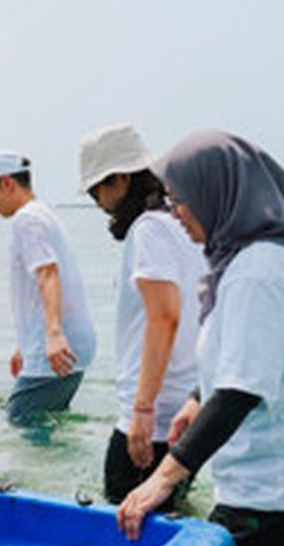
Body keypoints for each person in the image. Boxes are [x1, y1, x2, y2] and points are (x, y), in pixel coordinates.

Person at [116, 130, 284, 546]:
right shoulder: (259, 259)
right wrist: (196, 399)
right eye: (169, 200)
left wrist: (164, 476)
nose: (175, 213)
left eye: (182, 199)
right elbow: (248, 353)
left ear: (219, 195)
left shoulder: (259, 271)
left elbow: (240, 389)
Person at [79, 124, 205, 510]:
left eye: (95, 189)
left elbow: (164, 317)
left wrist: (142, 410)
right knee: (168, 519)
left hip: (157, 415)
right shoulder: (183, 223)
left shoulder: (149, 229)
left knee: (121, 522)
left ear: (119, 179)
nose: (96, 201)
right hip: (186, 412)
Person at [0, 151, 97, 423]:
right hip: (68, 343)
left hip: (58, 345)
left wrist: (54, 335)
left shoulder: (27, 220)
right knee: (46, 425)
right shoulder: (44, 214)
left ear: (7, 183)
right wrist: (24, 344)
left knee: (21, 424)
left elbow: (48, 273)